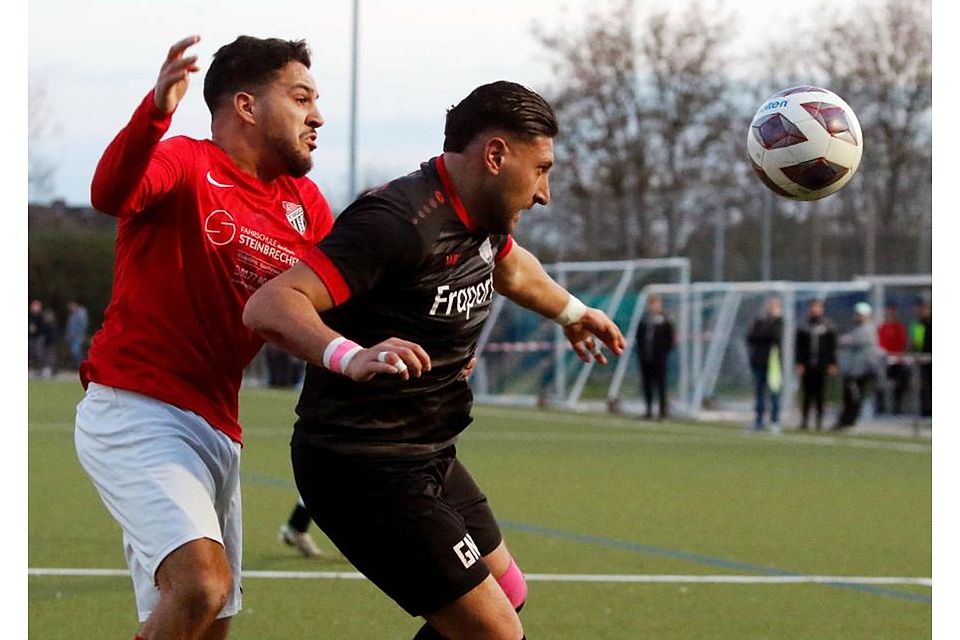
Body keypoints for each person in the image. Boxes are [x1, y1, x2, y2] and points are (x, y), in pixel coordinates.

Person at [243, 80, 626, 640]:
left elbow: (512, 268)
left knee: (508, 594)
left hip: (427, 453)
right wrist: (352, 355)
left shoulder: (483, 218)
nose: (545, 193)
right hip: (360, 464)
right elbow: (271, 304)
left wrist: (572, 312)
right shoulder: (396, 222)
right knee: (494, 633)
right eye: (541, 169)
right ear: (495, 156)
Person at [73, 35, 333, 639]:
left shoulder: (307, 205)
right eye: (301, 98)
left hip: (218, 428)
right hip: (135, 408)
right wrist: (154, 113)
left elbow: (339, 301)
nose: (317, 116)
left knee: (210, 621)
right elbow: (109, 194)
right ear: (246, 105)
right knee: (201, 586)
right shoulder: (186, 161)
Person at [834, 302, 880, 430]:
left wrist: (844, 339)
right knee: (848, 397)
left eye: (859, 315)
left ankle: (850, 421)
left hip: (860, 372)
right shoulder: (856, 329)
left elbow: (850, 341)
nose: (856, 317)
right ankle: (844, 421)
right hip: (851, 371)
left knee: (854, 397)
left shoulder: (868, 330)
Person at [794, 298, 837, 431]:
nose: (815, 310)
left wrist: (832, 363)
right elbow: (798, 347)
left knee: (820, 394)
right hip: (807, 365)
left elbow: (832, 347)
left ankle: (819, 421)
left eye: (817, 307)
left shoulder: (827, 327)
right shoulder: (804, 327)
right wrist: (799, 363)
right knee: (807, 394)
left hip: (822, 364)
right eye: (813, 307)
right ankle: (804, 421)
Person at [746, 296, 784, 432]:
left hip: (774, 365)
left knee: (774, 393)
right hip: (758, 362)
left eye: (774, 307)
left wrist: (764, 334)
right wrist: (763, 334)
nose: (770, 309)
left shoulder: (780, 322)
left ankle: (774, 421)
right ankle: (758, 421)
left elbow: (776, 336)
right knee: (759, 393)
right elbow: (751, 337)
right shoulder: (759, 321)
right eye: (769, 306)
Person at [635, 293, 675, 420]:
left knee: (661, 385)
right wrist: (641, 352)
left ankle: (662, 412)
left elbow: (670, 339)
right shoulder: (644, 320)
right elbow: (639, 337)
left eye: (655, 303)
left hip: (660, 359)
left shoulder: (665, 320)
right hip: (646, 357)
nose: (653, 306)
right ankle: (648, 410)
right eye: (651, 304)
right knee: (647, 385)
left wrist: (663, 353)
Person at [875, 302, 909, 415]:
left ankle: (897, 407)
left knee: (900, 382)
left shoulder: (899, 328)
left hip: (897, 361)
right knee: (880, 383)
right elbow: (878, 343)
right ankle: (880, 407)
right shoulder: (882, 328)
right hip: (884, 361)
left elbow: (903, 343)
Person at [908, 297, 932, 417]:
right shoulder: (917, 324)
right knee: (924, 385)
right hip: (923, 359)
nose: (920, 311)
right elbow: (915, 342)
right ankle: (926, 410)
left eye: (923, 309)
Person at [65, 301, 90, 370]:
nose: (70, 309)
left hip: (78, 336)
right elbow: (69, 326)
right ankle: (79, 365)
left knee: (75, 351)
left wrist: (81, 335)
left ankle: (82, 365)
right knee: (74, 351)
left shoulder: (81, 314)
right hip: (72, 337)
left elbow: (83, 325)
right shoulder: (72, 315)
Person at [40, 307, 61, 378]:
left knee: (50, 356)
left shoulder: (52, 325)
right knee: (48, 356)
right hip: (48, 343)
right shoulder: (46, 325)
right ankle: (50, 369)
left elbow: (54, 335)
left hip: (51, 343)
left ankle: (51, 370)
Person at [28, 299, 45, 372]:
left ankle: (40, 368)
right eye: (34, 306)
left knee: (39, 353)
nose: (35, 308)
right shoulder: (29, 316)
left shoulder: (41, 316)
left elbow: (43, 327)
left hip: (38, 337)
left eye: (37, 306)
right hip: (30, 337)